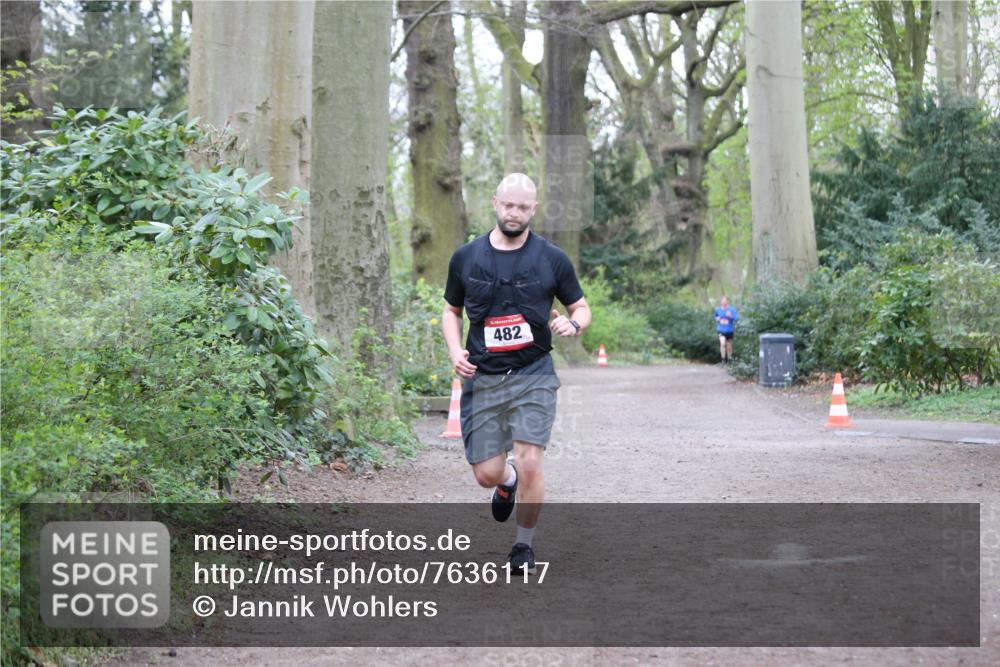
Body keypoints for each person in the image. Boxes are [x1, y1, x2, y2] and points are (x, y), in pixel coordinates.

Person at [441, 173, 591, 575]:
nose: (514, 213)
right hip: (483, 377)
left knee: (530, 462)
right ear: (495, 203)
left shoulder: (552, 259)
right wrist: (456, 351)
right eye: (508, 205)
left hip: (533, 373)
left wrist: (573, 325)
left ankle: (524, 545)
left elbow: (581, 307)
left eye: (523, 207)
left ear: (534, 210)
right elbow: (450, 312)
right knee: (487, 474)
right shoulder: (466, 257)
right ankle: (505, 483)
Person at [714, 296, 739, 363]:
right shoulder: (717, 310)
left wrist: (731, 316)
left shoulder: (732, 309)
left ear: (727, 302)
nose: (724, 302)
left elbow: (737, 318)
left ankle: (730, 359)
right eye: (723, 301)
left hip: (729, 330)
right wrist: (717, 319)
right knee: (722, 343)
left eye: (725, 301)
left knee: (729, 346)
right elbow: (715, 317)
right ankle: (723, 359)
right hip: (721, 330)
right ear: (721, 302)